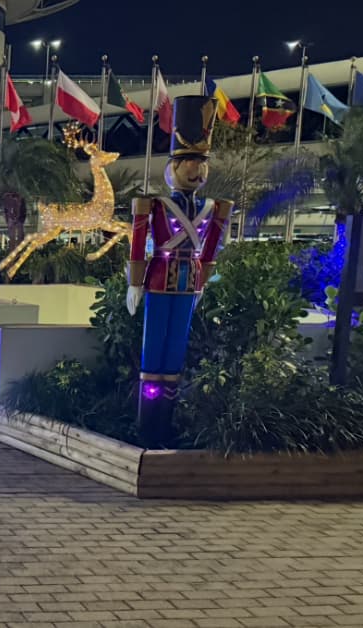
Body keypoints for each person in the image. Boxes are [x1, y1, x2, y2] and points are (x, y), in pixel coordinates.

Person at [126, 95, 234, 447]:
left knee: (175, 352)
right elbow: (138, 240)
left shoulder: (214, 207)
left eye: (201, 162)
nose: (197, 170)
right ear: (173, 165)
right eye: (189, 161)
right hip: (158, 278)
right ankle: (147, 423)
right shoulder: (155, 205)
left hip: (188, 283)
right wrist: (134, 282)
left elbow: (212, 247)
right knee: (153, 349)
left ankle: (165, 423)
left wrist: (202, 280)